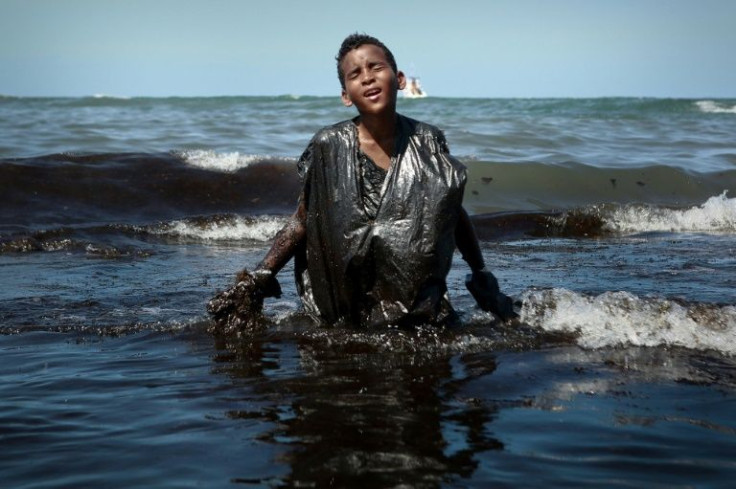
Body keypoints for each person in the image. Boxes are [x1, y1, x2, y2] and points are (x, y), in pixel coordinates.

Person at [208, 33, 515, 333]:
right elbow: (303, 219)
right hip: (346, 312)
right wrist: (261, 275)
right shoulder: (328, 144)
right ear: (346, 95)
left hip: (418, 311)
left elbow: (450, 212)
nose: (367, 77)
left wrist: (480, 273)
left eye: (376, 67)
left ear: (400, 79)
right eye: (355, 74)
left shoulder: (428, 140)